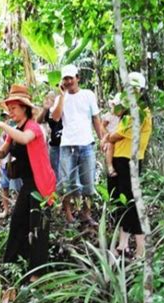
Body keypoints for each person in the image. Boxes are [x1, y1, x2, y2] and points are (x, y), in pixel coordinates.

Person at [0, 84, 56, 282]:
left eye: (14, 109)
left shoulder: (33, 127)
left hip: (41, 183)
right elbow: (2, 153)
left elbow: (26, 139)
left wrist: (2, 125)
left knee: (39, 227)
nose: (10, 112)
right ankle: (14, 263)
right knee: (18, 221)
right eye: (9, 109)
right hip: (28, 183)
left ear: (25, 108)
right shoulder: (13, 131)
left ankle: (37, 273)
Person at [103, 72, 152, 258]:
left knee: (132, 204)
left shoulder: (141, 112)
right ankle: (123, 244)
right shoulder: (130, 111)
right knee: (123, 203)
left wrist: (108, 136)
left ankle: (140, 250)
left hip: (129, 160)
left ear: (140, 90)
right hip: (120, 158)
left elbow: (116, 134)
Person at [51, 64, 103, 225]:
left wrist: (102, 139)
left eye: (70, 78)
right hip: (67, 145)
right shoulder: (61, 98)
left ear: (77, 78)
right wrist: (61, 96)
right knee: (66, 182)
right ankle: (68, 214)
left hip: (86, 144)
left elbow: (95, 119)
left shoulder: (88, 95)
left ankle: (86, 213)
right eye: (65, 79)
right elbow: (55, 118)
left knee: (88, 182)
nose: (68, 81)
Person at [0, 112, 22, 218]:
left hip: (15, 164)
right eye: (4, 119)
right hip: (4, 165)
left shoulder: (17, 131)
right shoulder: (1, 135)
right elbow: (0, 151)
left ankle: (19, 209)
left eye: (8, 117)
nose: (6, 120)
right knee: (4, 187)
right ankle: (6, 210)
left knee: (18, 188)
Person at [37, 90, 63, 180]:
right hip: (54, 144)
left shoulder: (63, 106)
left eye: (52, 98)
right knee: (54, 169)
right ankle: (57, 191)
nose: (50, 100)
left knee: (65, 169)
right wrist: (45, 109)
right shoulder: (48, 110)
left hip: (65, 143)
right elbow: (38, 121)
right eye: (49, 98)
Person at [101, 93, 122, 177]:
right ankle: (110, 167)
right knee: (109, 146)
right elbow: (102, 126)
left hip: (118, 137)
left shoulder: (123, 117)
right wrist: (107, 135)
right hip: (110, 137)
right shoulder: (110, 116)